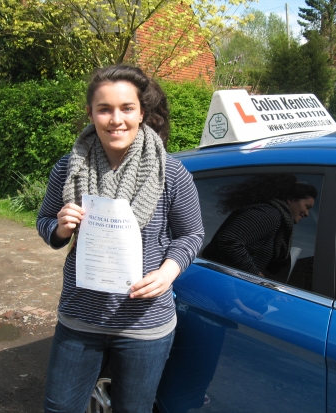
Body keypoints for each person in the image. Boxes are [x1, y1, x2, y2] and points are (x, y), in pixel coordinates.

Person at [37, 65, 204, 413]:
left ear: (141, 112)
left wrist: (168, 272)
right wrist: (61, 228)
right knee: (59, 408)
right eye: (104, 109)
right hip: (80, 318)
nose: (116, 119)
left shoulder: (171, 173)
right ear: (90, 113)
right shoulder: (68, 168)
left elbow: (191, 234)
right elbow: (45, 223)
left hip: (144, 324)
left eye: (126, 108)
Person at [202, 175, 317, 278]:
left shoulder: (278, 220)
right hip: (214, 282)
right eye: (307, 207)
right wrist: (257, 278)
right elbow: (229, 240)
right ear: (291, 199)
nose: (307, 213)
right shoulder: (269, 214)